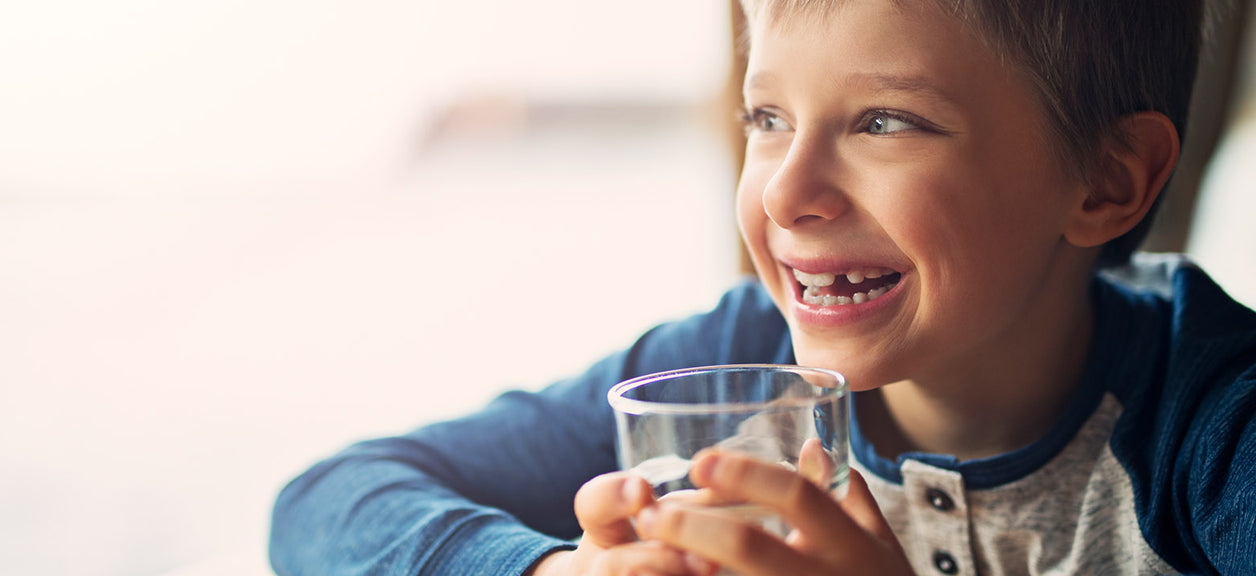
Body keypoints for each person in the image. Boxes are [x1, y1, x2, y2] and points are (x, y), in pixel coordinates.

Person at [269, 0, 1256, 574]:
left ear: (1107, 180)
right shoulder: (727, 374)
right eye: (766, 118)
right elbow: (322, 505)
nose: (785, 193)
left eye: (883, 122)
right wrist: (550, 569)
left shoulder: (1209, 424)